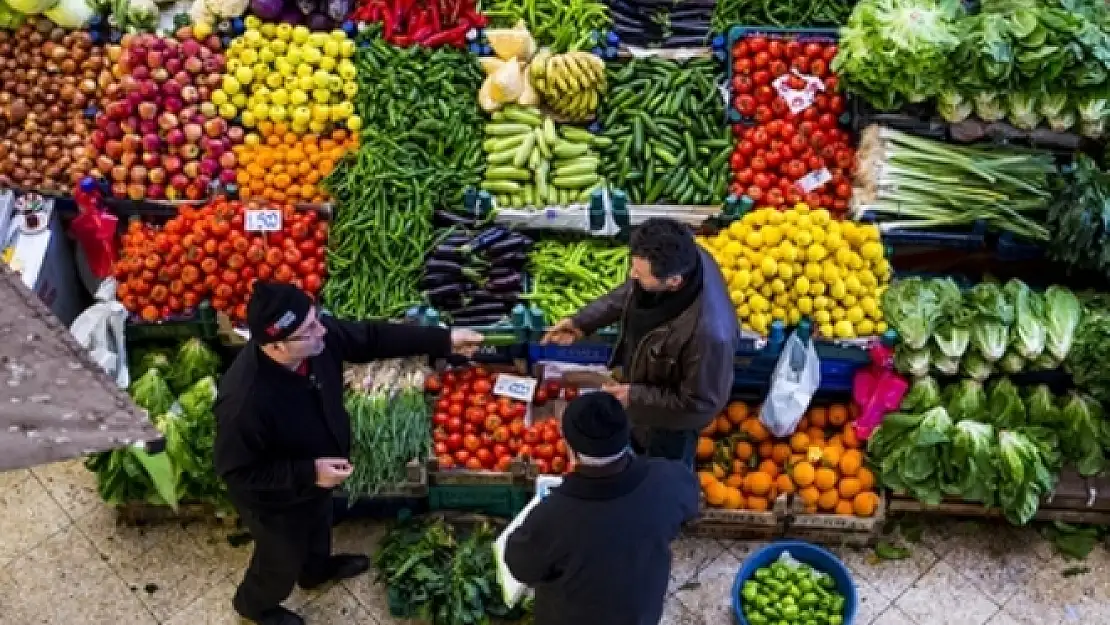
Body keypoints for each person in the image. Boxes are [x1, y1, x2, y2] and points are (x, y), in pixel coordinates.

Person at [214, 281, 483, 625]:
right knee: (280, 555)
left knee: (319, 524)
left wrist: (444, 340)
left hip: (320, 475)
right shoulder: (244, 403)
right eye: (309, 329)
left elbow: (371, 337)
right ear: (278, 346)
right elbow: (236, 473)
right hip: (275, 501)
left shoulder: (316, 343)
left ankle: (316, 570)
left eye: (316, 318)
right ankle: (256, 605)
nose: (322, 330)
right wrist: (308, 473)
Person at [542, 217, 739, 467]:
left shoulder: (710, 336)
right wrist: (583, 322)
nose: (631, 275)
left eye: (640, 273)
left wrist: (635, 396)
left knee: (663, 472)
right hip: (645, 389)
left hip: (669, 424)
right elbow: (632, 290)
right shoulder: (683, 255)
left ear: (674, 282)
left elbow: (700, 405)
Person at [503, 392, 699, 625]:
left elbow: (520, 566)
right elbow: (690, 505)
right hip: (639, 615)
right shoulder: (670, 479)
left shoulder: (553, 517)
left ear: (570, 448)